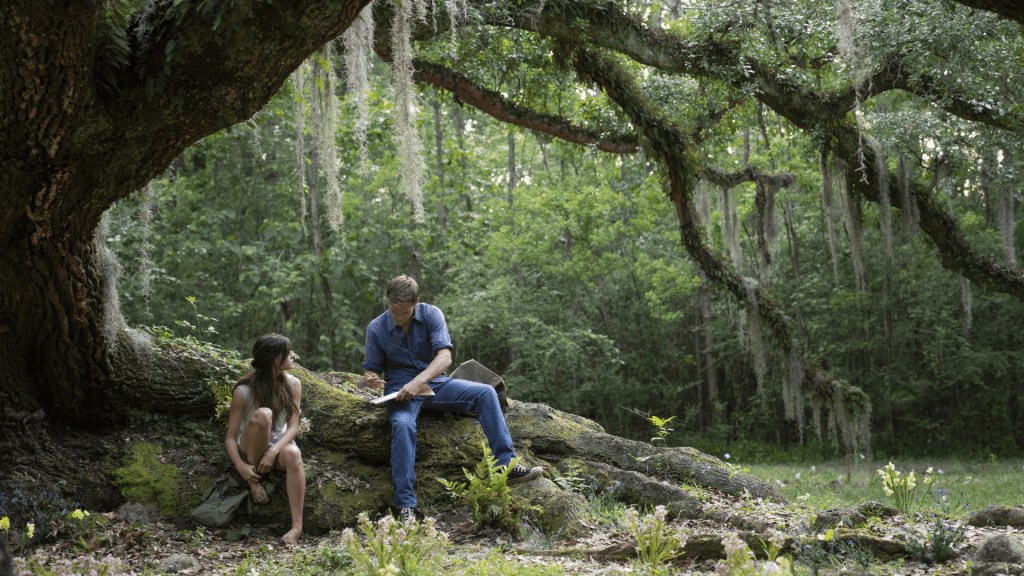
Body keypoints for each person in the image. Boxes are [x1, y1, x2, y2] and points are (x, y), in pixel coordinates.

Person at [363, 275, 543, 523]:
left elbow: (445, 358)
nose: (398, 317)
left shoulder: (432, 314)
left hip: (437, 384)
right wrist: (370, 377)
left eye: (404, 312)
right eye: (394, 311)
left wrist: (420, 380)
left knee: (486, 392)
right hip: (400, 391)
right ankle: (405, 505)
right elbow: (371, 369)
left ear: (416, 302)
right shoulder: (375, 328)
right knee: (402, 425)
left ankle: (506, 465)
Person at [224, 333, 305, 544]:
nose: (293, 355)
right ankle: (253, 482)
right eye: (288, 353)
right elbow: (230, 439)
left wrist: (273, 451)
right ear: (275, 359)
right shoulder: (243, 391)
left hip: (277, 443)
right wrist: (242, 467)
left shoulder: (294, 384)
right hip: (249, 444)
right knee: (264, 414)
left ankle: (297, 527)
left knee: (294, 454)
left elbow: (293, 427)